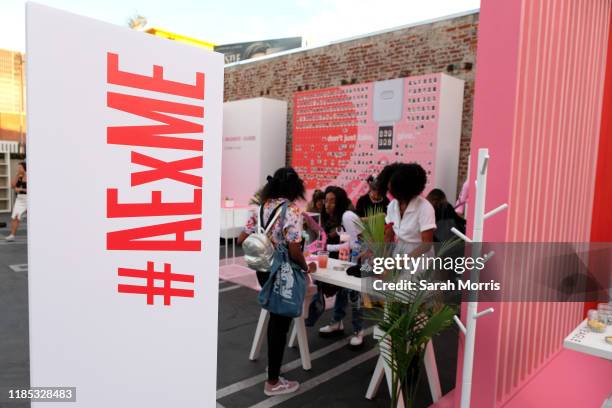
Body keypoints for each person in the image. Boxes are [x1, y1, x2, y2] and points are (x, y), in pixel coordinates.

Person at [237, 167, 316, 397]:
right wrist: (305, 267)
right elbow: (294, 249)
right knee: (280, 324)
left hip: (263, 270)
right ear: (295, 188)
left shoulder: (260, 207)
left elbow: (242, 237)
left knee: (275, 317)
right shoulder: (291, 210)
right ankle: (272, 381)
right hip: (282, 271)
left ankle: (272, 369)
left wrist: (266, 241)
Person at [306, 186, 365, 346]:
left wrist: (329, 248)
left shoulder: (346, 216)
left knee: (354, 295)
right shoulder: (331, 218)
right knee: (340, 290)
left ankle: (358, 331)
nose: (328, 204)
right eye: (326, 200)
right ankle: (336, 322)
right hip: (342, 260)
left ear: (339, 202)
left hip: (358, 259)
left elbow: (358, 243)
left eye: (332, 201)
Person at [382, 163, 436, 258]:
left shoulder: (425, 207)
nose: (388, 187)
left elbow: (426, 245)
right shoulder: (392, 205)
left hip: (420, 262)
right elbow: (388, 236)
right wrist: (382, 257)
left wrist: (402, 262)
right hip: (398, 256)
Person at [6, 162, 27, 242]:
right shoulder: (19, 176)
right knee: (15, 217)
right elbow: (12, 185)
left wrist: (21, 189)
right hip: (20, 199)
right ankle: (12, 235)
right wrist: (17, 175)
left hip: (28, 199)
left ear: (24, 168)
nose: (18, 169)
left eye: (20, 167)